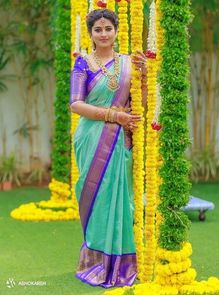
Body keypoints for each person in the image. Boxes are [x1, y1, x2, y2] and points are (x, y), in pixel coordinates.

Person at [70, 9, 147, 288]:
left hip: (119, 139)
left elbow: (140, 101)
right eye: (98, 29)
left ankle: (123, 263)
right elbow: (76, 104)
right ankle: (96, 263)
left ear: (115, 31)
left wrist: (144, 75)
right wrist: (113, 116)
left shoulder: (128, 63)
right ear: (90, 33)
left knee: (120, 198)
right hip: (91, 139)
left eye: (107, 28)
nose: (103, 34)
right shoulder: (83, 64)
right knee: (97, 197)